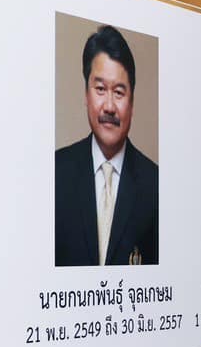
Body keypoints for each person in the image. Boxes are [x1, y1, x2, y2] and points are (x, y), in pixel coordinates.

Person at [54, 25, 158, 266]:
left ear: (132, 102)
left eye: (119, 92)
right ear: (86, 94)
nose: (109, 106)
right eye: (100, 89)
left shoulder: (155, 185)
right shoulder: (56, 172)